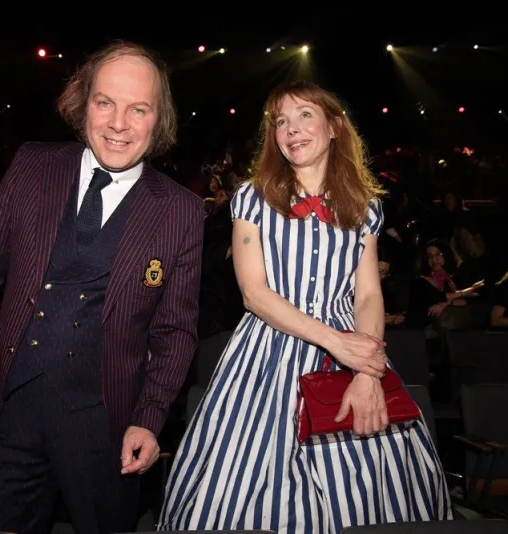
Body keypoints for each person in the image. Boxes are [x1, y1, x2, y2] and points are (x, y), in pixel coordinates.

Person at [0, 41, 202, 534]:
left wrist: (150, 416)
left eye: (137, 108)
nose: (118, 123)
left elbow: (175, 331)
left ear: (158, 119)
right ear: (84, 107)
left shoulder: (181, 209)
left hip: (107, 427)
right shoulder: (32, 165)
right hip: (9, 412)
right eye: (105, 103)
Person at [160, 81, 451, 534]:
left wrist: (367, 370)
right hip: (268, 349)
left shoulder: (365, 205)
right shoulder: (252, 198)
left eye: (304, 116)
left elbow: (369, 295)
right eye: (281, 122)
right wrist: (341, 345)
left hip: (353, 349)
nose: (291, 130)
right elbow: (254, 294)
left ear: (334, 126)